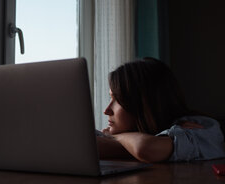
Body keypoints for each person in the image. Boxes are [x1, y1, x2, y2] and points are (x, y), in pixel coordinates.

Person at [96, 57, 225, 163]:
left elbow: (146, 148)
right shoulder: (137, 133)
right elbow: (94, 147)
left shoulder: (200, 127)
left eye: (118, 100)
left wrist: (115, 138)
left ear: (146, 104)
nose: (107, 111)